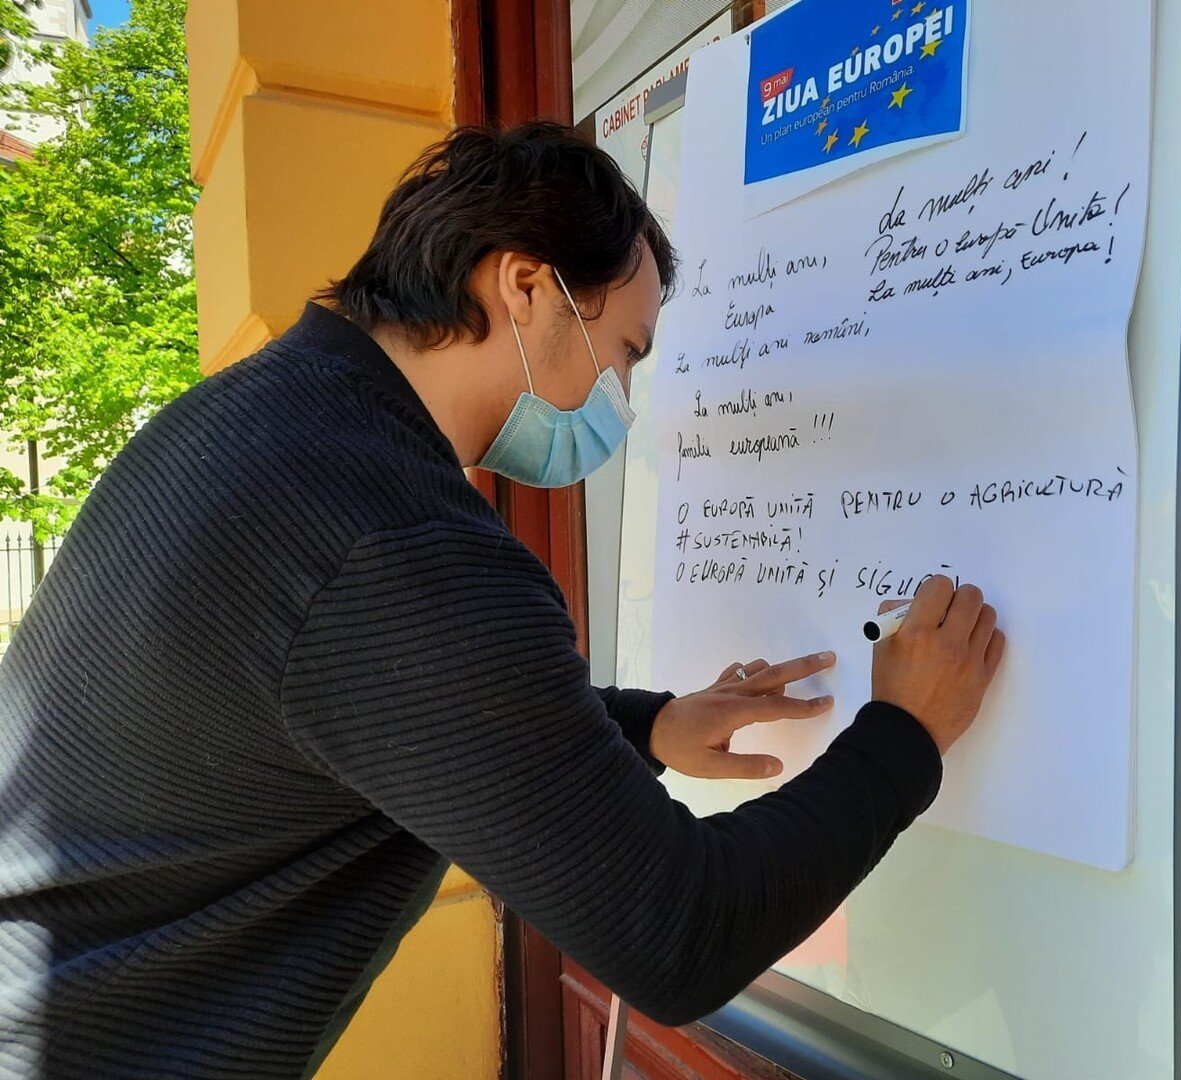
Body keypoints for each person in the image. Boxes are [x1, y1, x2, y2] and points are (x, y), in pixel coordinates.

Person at [0, 121, 1005, 1078]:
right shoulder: (397, 535)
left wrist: (649, 727)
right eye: (626, 352)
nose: (622, 398)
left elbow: (384, 706)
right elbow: (679, 934)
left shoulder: (259, 420)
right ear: (525, 286)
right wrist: (906, 732)